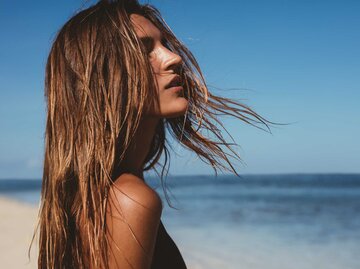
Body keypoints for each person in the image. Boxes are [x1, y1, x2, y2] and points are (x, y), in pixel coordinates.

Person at [32, 0, 270, 268]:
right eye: (145, 50)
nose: (173, 58)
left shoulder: (91, 197)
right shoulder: (129, 200)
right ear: (102, 76)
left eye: (164, 45)